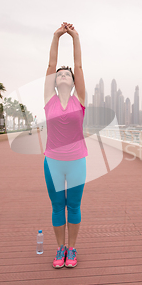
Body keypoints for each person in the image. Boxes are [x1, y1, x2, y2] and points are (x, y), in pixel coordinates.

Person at [43, 22, 88, 268]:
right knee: (58, 206)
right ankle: (60, 248)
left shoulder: (79, 101)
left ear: (72, 83)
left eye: (67, 74)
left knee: (74, 205)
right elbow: (51, 65)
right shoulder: (49, 99)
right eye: (59, 74)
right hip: (53, 162)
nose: (62, 75)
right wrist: (56, 36)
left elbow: (78, 66)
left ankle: (72, 249)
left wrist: (75, 37)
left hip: (76, 162)